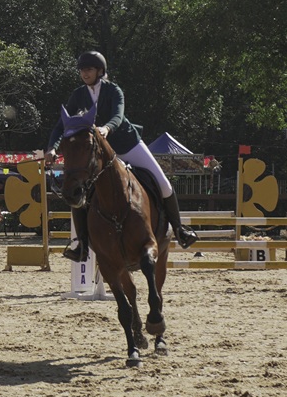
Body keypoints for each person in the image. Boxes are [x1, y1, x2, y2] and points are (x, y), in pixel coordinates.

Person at [44, 51, 199, 262]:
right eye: (81, 70)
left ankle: (180, 230)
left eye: (88, 69)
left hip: (127, 145)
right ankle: (81, 244)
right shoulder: (78, 95)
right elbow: (61, 126)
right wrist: (51, 148)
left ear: (100, 71)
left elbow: (118, 115)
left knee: (163, 183)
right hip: (98, 154)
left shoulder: (113, 90)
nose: (84, 73)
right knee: (79, 192)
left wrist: (107, 128)